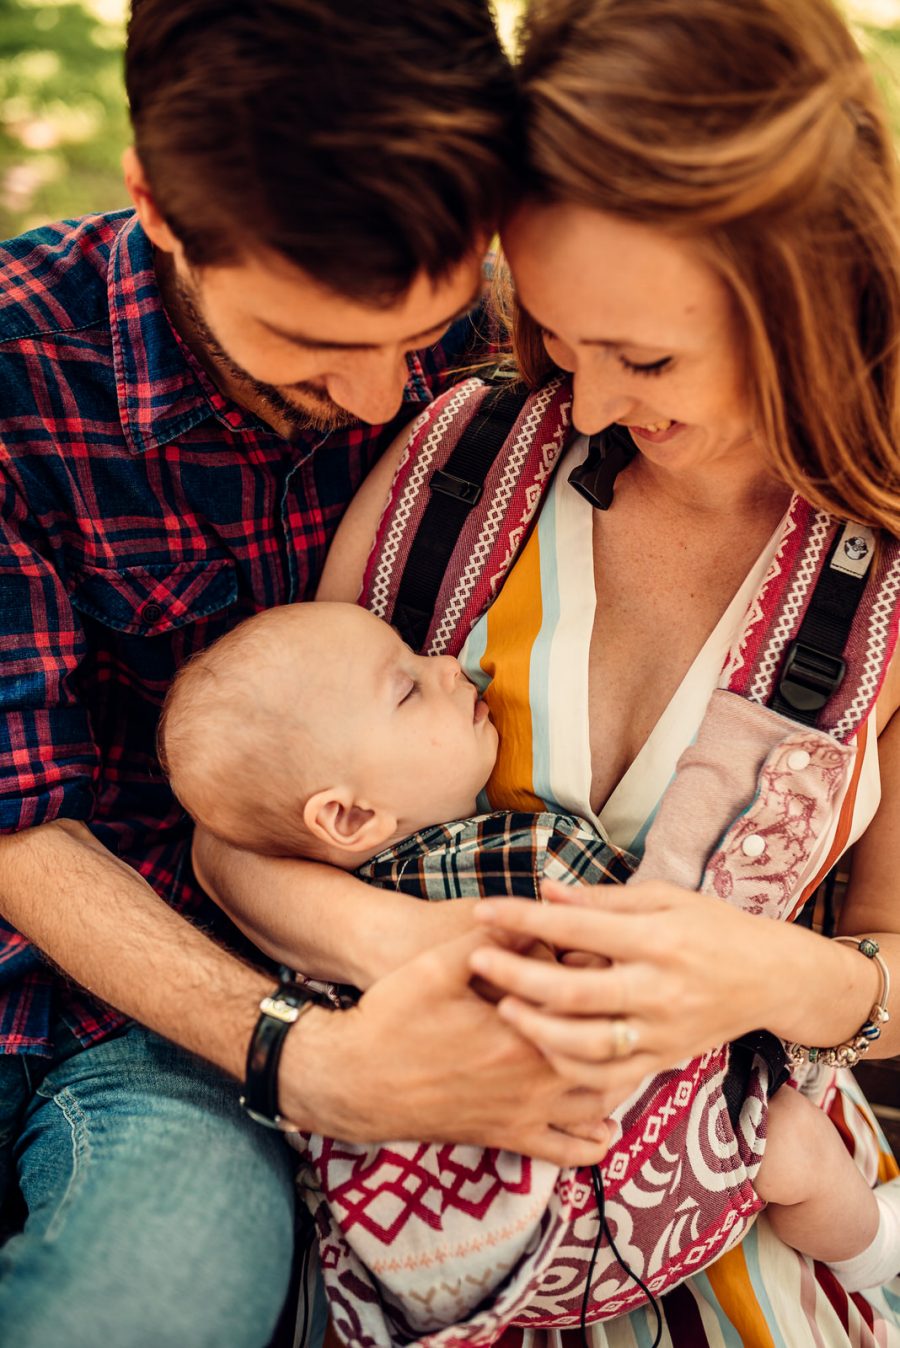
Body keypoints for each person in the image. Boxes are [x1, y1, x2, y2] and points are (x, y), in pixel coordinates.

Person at [197, 0, 900, 1344]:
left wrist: (764, 979)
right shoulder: (451, 467)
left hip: (742, 1251)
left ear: (805, 281)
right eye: (559, 340)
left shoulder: (888, 582)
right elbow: (241, 837)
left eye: (644, 357)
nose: (578, 408)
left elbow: (893, 961)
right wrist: (413, 944)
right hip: (419, 1242)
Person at [0, 5, 614, 1346]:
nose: (386, 400)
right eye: (311, 342)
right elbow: (15, 817)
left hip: (165, 1030)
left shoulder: (510, 356)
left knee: (149, 1308)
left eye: (426, 327)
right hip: (179, 992)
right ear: (158, 207)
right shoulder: (17, 365)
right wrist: (308, 1059)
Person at [161, 597, 899, 1340]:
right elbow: (686, 904)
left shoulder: (307, 907)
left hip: (477, 1259)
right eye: (410, 687)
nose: (449, 665)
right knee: (791, 1137)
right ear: (348, 817)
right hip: (636, 1187)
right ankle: (872, 1248)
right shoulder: (529, 858)